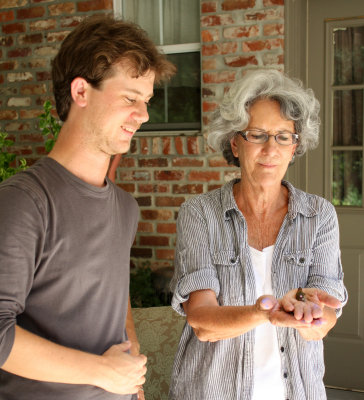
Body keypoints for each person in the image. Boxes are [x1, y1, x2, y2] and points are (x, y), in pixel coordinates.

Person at [0, 15, 175, 400]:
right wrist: (101, 372)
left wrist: (133, 377)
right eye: (130, 98)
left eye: (145, 101)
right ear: (81, 91)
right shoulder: (23, 202)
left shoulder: (125, 207)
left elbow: (117, 299)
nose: (144, 115)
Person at [169, 69, 348, 400]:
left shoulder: (319, 215)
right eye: (258, 134)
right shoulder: (201, 214)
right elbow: (202, 322)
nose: (271, 148)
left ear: (295, 147)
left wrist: (313, 315)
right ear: (235, 143)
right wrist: (266, 312)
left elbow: (325, 316)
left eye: (283, 136)